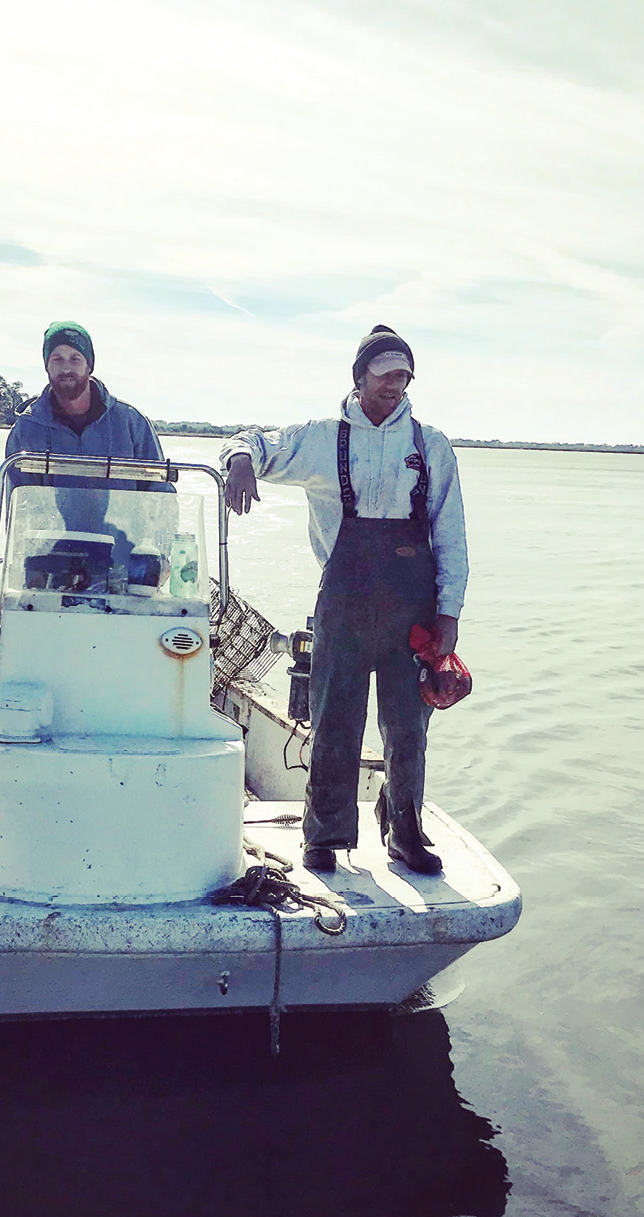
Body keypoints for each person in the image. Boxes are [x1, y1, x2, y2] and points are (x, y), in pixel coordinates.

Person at [222, 326, 468, 875]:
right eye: (384, 374)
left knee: (408, 727)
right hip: (344, 607)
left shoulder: (431, 446)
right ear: (359, 378)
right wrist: (240, 458)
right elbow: (251, 440)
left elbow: (450, 534)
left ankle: (405, 829)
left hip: (414, 613)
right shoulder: (320, 439)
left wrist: (448, 613)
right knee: (335, 719)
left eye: (403, 375)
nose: (395, 384)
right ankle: (325, 835)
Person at [5, 322, 167, 551]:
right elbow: (20, 508)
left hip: (123, 559)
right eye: (57, 359)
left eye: (75, 358)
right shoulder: (26, 429)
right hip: (52, 562)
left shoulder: (132, 422)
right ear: (46, 366)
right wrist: (28, 561)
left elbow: (159, 495)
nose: (66, 368)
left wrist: (159, 556)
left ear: (89, 365)